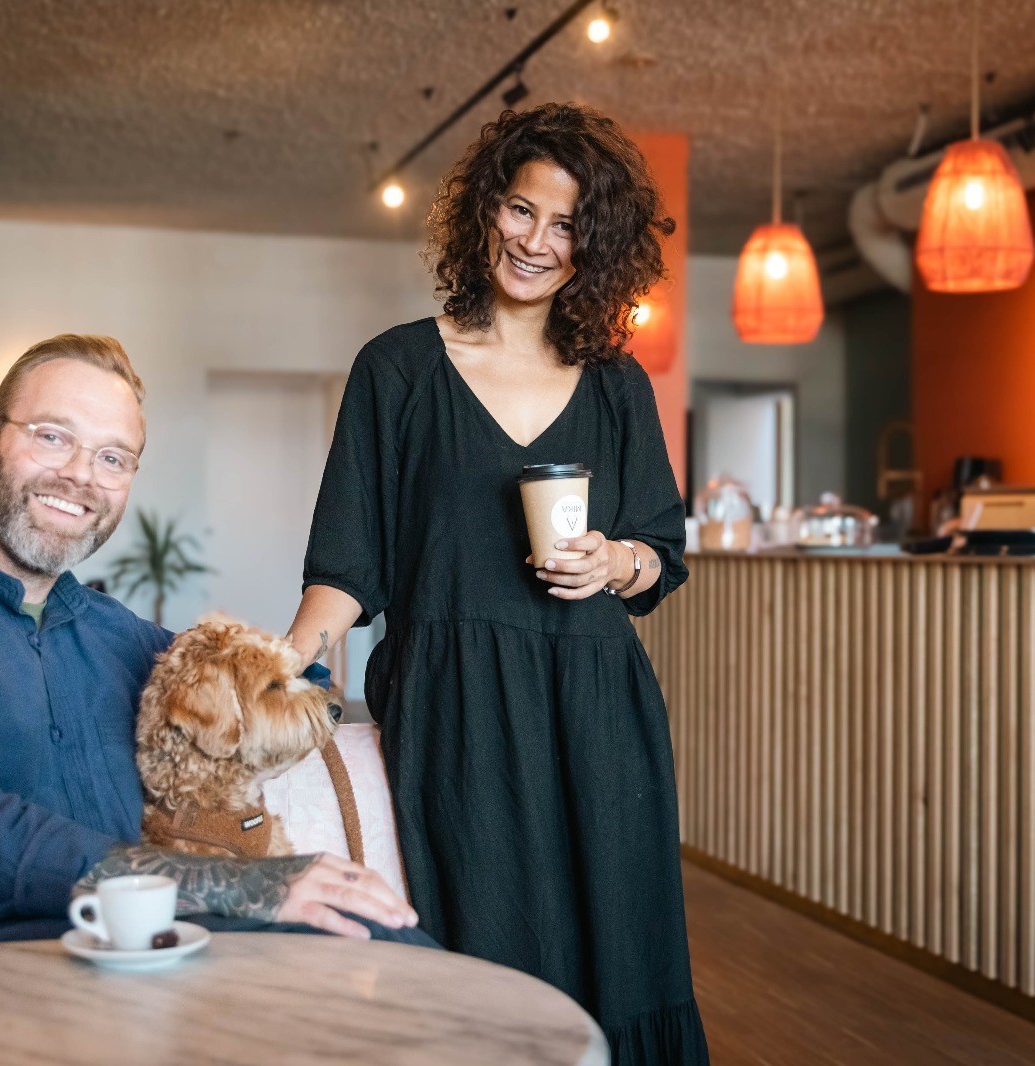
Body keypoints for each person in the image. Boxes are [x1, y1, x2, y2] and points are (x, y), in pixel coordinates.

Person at [0, 333, 423, 953]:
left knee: (387, 945)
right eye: (53, 437)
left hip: (110, 963)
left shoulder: (116, 635)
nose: (80, 475)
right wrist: (244, 886)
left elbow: (280, 688)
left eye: (112, 458)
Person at [288, 104, 708, 1063]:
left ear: (591, 249)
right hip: (456, 708)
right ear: (485, 211)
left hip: (597, 703)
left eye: (565, 227)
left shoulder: (617, 384)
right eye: (523, 211)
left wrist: (614, 560)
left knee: (626, 958)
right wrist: (289, 655)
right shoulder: (396, 369)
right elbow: (347, 567)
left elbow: (658, 554)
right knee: (483, 960)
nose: (536, 242)